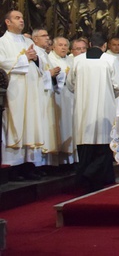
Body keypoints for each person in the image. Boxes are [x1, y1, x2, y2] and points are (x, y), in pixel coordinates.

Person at [68, 32, 119, 191]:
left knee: (85, 148)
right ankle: (91, 176)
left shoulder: (77, 61)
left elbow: (70, 85)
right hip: (104, 110)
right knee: (103, 147)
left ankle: (85, 181)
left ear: (89, 44)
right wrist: (110, 95)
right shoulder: (110, 60)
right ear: (105, 46)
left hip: (82, 111)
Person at [0, 11, 46, 177]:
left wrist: (36, 58)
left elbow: (43, 63)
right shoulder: (2, 42)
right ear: (7, 21)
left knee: (30, 123)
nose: (21, 20)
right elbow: (2, 63)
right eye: (16, 18)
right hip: (16, 90)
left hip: (32, 89)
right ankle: (14, 167)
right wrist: (23, 58)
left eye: (21, 17)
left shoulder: (27, 41)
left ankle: (29, 164)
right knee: (16, 124)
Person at [31, 29, 61, 164]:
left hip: (47, 95)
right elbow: (34, 76)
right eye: (43, 36)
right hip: (39, 96)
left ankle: (44, 163)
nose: (47, 38)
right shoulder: (35, 53)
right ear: (35, 39)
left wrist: (54, 73)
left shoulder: (44, 54)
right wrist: (50, 74)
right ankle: (37, 163)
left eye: (47, 35)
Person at [48, 36, 75, 162]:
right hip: (57, 96)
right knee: (60, 127)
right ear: (53, 46)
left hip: (70, 96)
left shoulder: (71, 60)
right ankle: (58, 161)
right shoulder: (49, 59)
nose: (63, 47)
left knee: (70, 126)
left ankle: (69, 159)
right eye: (60, 45)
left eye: (65, 45)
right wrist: (66, 75)